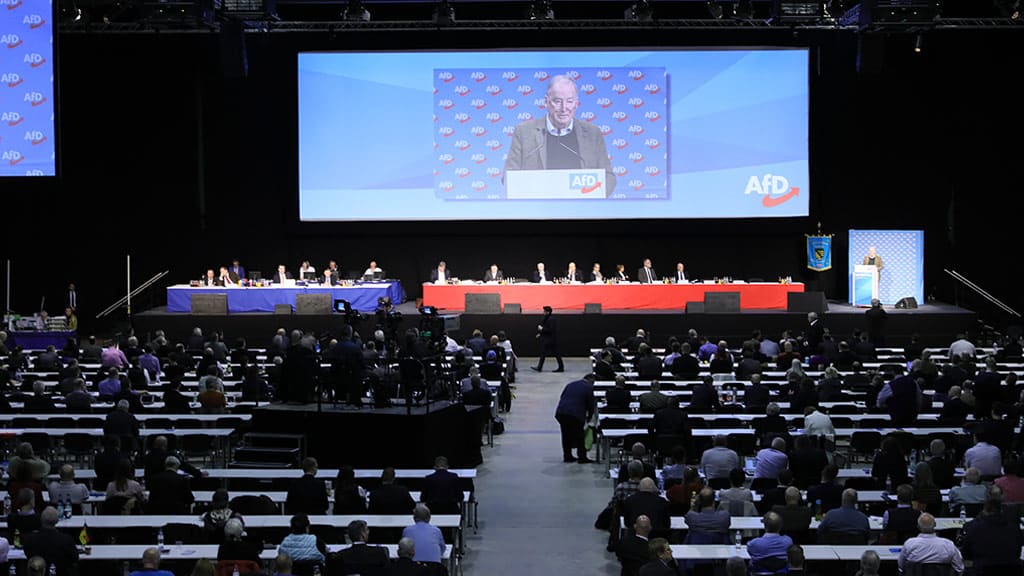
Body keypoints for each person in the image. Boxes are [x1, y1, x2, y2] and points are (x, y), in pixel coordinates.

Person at [503, 74, 616, 193]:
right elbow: (508, 177)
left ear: (576, 104)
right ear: (546, 102)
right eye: (557, 101)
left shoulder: (592, 134)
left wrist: (591, 196)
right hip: (538, 208)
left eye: (569, 101)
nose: (564, 108)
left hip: (582, 209)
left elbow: (608, 177)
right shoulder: (524, 132)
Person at [960, 495, 1024, 572]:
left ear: (984, 510)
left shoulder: (974, 526)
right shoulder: (1014, 527)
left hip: (983, 570)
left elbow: (965, 553)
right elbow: (1018, 550)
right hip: (1012, 570)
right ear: (1001, 510)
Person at [897, 513, 963, 574]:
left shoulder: (909, 544)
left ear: (918, 527)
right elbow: (960, 568)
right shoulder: (948, 544)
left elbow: (901, 566)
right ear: (935, 524)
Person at [22, 507, 79, 576]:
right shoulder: (66, 540)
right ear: (57, 521)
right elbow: (75, 558)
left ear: (41, 520)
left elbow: (28, 555)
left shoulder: (29, 539)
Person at [554, 373, 596, 463]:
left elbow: (562, 396)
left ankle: (567, 456)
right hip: (575, 414)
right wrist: (589, 417)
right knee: (579, 435)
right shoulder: (589, 387)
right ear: (591, 380)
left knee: (565, 435)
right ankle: (582, 457)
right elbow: (590, 404)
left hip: (561, 412)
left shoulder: (570, 384)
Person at [532, 305, 564, 372]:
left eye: (544, 311)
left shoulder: (551, 320)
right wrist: (540, 334)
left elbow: (550, 330)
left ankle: (540, 367)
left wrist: (542, 329)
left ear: (548, 312)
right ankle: (540, 367)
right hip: (549, 339)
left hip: (550, 340)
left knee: (552, 354)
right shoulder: (547, 319)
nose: (543, 312)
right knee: (552, 354)